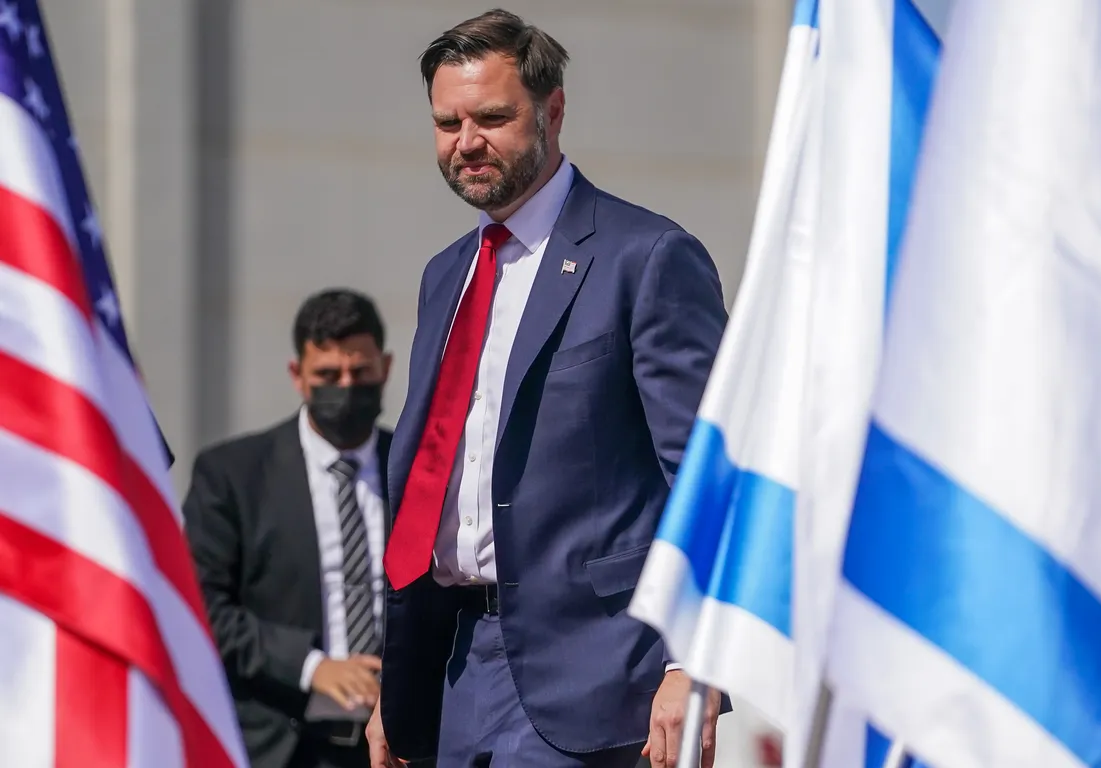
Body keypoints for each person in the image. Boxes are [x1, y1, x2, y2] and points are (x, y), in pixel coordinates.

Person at [367, 9, 729, 768]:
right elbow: (433, 485)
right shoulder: (446, 275)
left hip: (597, 677)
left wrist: (694, 662)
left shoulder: (646, 256)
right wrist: (397, 692)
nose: (467, 142)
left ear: (552, 110)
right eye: (448, 123)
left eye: (492, 118)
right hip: (457, 670)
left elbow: (707, 477)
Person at [183, 289, 396, 768]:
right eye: (328, 375)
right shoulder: (233, 475)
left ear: (385, 368)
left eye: (360, 372)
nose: (346, 387)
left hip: (398, 747)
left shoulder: (419, 468)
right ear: (297, 375)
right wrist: (311, 666)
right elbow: (201, 604)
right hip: (281, 743)